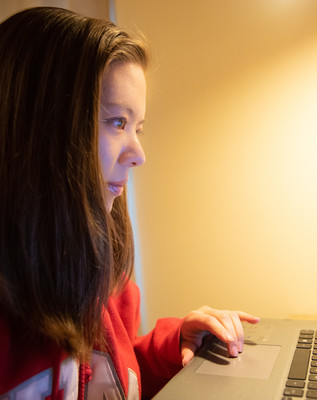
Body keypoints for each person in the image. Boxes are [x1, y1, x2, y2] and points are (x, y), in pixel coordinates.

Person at [0, 6, 259, 400]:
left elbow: (109, 377)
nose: (138, 154)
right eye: (117, 122)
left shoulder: (108, 281)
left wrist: (172, 343)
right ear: (40, 130)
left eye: (137, 127)